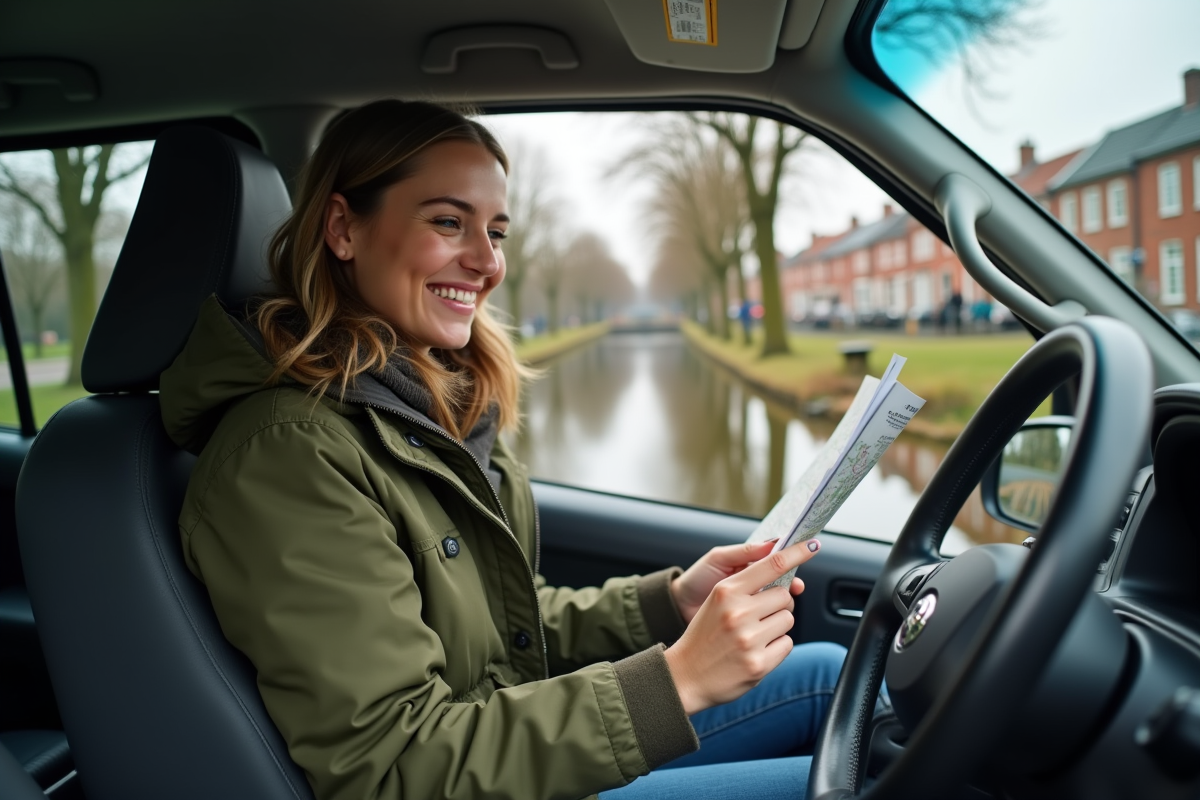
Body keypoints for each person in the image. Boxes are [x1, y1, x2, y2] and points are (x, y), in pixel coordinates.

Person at [160, 100, 848, 800]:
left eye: (496, 231)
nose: (488, 262)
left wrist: (670, 603)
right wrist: (678, 681)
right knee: (867, 777)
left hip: (506, 751)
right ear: (343, 227)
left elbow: (502, 633)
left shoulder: (430, 408)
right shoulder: (289, 453)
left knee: (825, 672)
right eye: (448, 222)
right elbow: (395, 764)